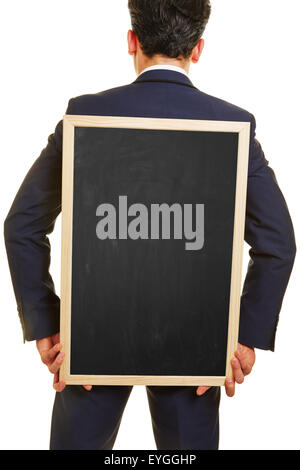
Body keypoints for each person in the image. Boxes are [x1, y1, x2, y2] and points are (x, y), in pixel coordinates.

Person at [4, 0, 296, 450]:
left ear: (132, 42)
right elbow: (278, 242)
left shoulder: (84, 114)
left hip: (92, 339)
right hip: (196, 344)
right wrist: (240, 339)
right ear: (197, 49)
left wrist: (48, 325)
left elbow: (22, 225)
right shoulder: (233, 123)